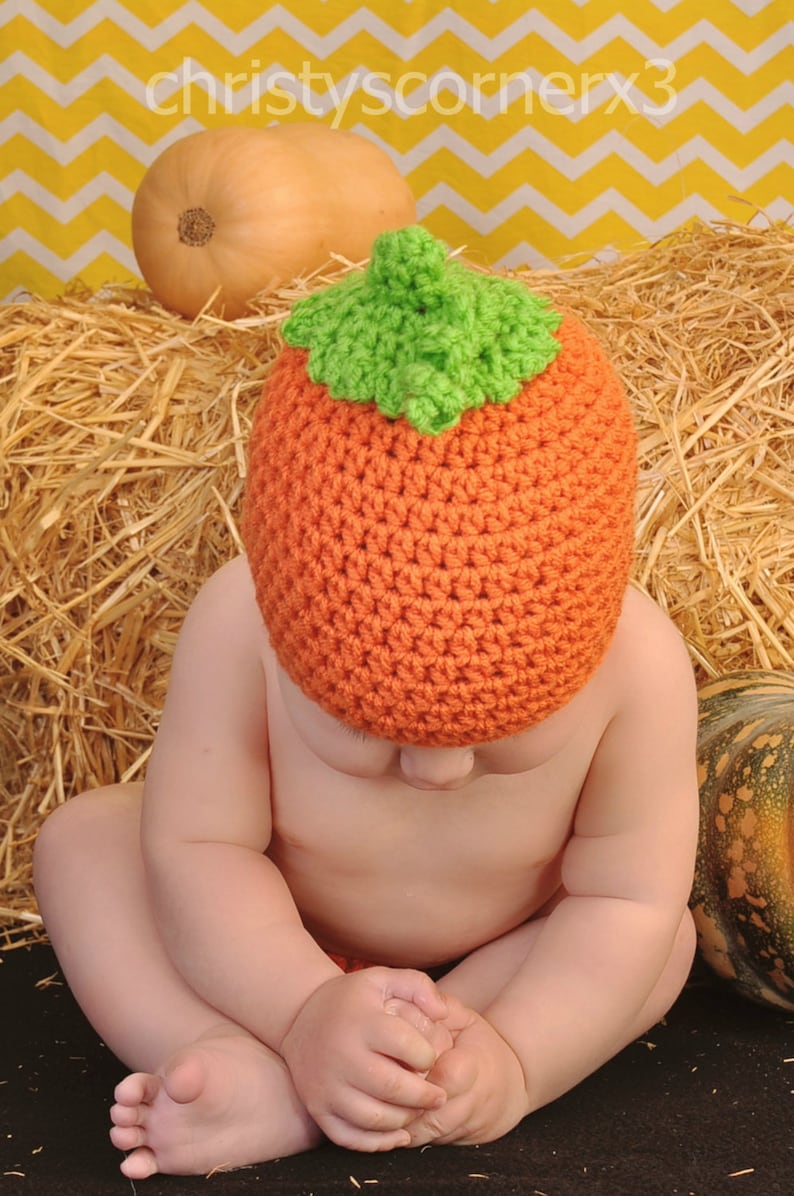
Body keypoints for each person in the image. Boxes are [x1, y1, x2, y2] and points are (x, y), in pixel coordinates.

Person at [33, 226, 699, 1180]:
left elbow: (623, 898)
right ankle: (236, 1056)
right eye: (366, 730)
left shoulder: (640, 664)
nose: (435, 773)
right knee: (86, 845)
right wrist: (300, 1005)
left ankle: (464, 1069)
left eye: (500, 734)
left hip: (503, 959)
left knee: (658, 944)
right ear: (278, 592)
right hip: (265, 935)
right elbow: (201, 851)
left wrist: (516, 1054)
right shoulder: (239, 624)